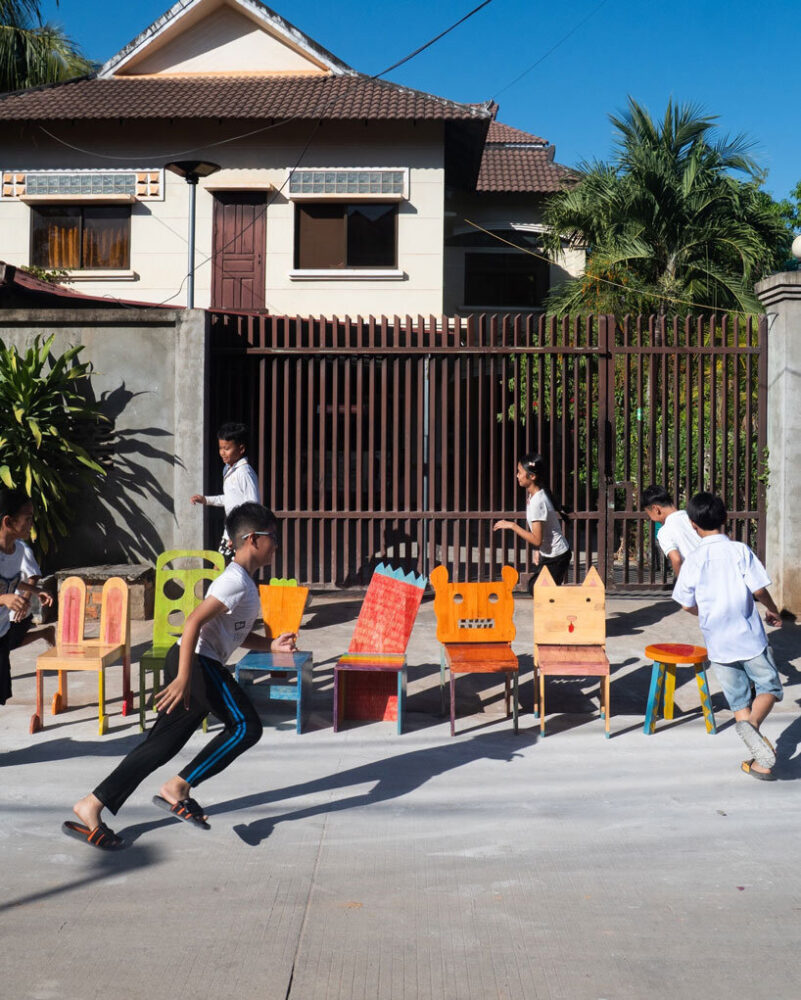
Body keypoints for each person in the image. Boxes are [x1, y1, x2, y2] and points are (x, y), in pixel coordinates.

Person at [64, 503, 296, 850]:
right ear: (252, 540)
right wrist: (184, 677)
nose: (277, 543)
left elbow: (234, 633)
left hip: (193, 663)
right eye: (273, 537)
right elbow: (192, 623)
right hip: (197, 664)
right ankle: (178, 788)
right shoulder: (234, 581)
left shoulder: (243, 582)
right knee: (247, 727)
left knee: (159, 746)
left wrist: (271, 644)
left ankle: (91, 805)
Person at [672, 491, 784, 781]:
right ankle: (755, 727)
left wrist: (704, 614)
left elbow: (685, 603)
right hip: (749, 638)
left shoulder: (693, 560)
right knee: (769, 687)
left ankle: (761, 761)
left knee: (739, 703)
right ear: (724, 519)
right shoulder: (739, 551)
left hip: (718, 642)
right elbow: (758, 590)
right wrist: (773, 611)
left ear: (693, 525)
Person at [0, 488, 54, 705]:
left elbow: (9, 580)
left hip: (1, 634)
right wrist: (4, 599)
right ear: (9, 521)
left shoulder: (19, 550)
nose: (32, 523)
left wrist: (34, 590)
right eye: (27, 518)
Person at [493, 452, 571, 590]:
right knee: (537, 588)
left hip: (557, 556)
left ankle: (573, 608)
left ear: (532, 476)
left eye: (520, 472)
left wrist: (512, 525)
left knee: (540, 591)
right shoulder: (535, 496)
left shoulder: (537, 501)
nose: (517, 475)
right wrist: (538, 550)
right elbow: (541, 532)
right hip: (550, 554)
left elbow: (536, 539)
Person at [191, 421, 260, 554]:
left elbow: (254, 506)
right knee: (222, 571)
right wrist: (206, 500)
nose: (222, 453)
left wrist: (243, 535)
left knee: (228, 572)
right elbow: (230, 498)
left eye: (227, 448)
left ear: (241, 449)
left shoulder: (244, 472)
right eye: (220, 448)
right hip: (230, 532)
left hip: (241, 535)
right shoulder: (228, 470)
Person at [641, 484, 699, 576]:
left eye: (649, 515)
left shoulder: (664, 531)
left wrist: (682, 584)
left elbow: (676, 559)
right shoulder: (692, 517)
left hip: (694, 577)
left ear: (656, 509)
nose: (651, 519)